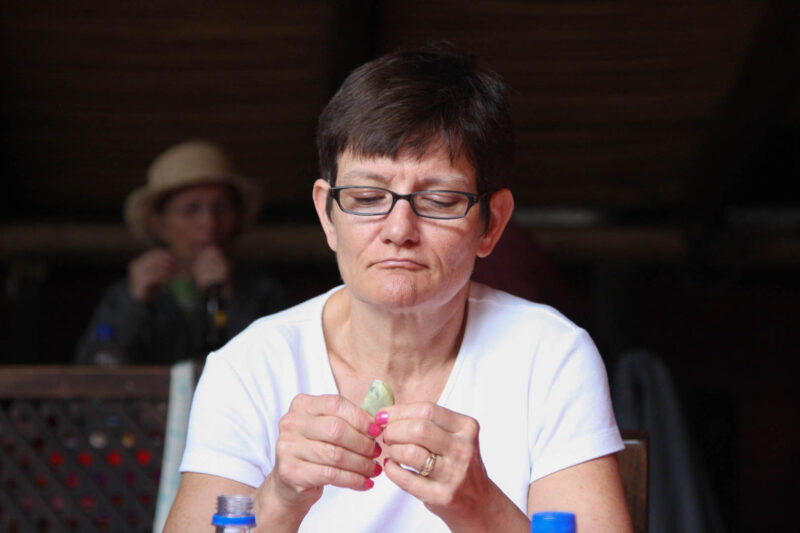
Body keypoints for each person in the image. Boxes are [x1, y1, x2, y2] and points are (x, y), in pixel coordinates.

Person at [165, 43, 632, 532]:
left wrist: (481, 507)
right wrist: (280, 497)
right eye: (368, 197)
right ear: (328, 214)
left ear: (492, 223)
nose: (398, 229)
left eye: (440, 200)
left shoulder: (549, 355)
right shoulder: (251, 366)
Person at [74, 140, 288, 365]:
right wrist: (134, 304)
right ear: (159, 225)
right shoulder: (125, 295)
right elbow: (93, 368)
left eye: (220, 208)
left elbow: (278, 365)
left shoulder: (263, 293)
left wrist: (231, 297)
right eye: (191, 209)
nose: (209, 223)